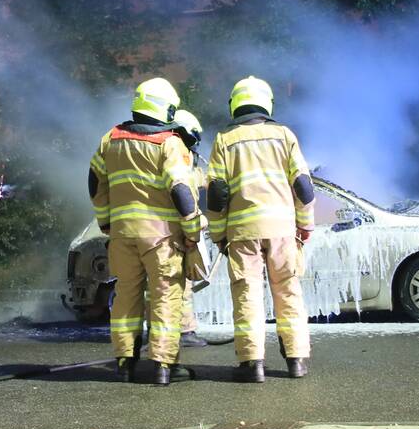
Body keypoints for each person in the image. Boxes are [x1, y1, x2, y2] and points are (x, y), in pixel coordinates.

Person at [89, 78, 204, 386]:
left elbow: (94, 180)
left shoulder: (110, 138)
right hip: (161, 238)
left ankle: (125, 362)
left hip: (123, 235)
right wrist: (192, 229)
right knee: (166, 296)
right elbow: (181, 189)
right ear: (165, 108)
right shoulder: (169, 142)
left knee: (126, 294)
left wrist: (106, 221)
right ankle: (164, 367)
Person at [205, 76, 315, 383]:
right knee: (289, 292)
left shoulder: (225, 140)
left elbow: (215, 193)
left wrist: (218, 235)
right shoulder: (284, 135)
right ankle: (296, 361)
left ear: (235, 104)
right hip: (282, 229)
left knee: (247, 295)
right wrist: (305, 226)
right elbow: (304, 188)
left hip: (242, 232)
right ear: (267, 102)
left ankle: (253, 365)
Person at [171, 109, 209, 348]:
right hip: (178, 229)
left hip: (166, 229)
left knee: (165, 285)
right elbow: (186, 193)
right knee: (178, 283)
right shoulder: (178, 158)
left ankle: (164, 333)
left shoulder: (173, 154)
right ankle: (184, 333)